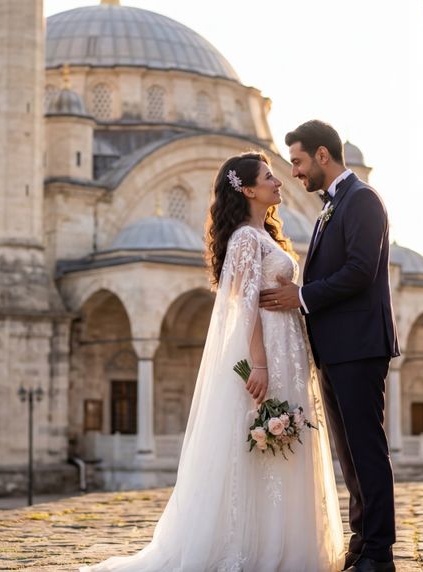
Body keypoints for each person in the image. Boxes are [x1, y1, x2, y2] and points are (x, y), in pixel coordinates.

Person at [81, 151, 343, 571]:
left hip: (288, 348)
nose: (280, 182)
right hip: (267, 352)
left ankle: (286, 544)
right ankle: (254, 548)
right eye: (269, 177)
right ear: (249, 190)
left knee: (285, 444)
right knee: (264, 441)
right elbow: (245, 306)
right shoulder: (243, 239)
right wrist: (259, 363)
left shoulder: (266, 236)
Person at [260, 120, 400, 572]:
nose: (294, 172)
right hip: (336, 349)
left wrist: (301, 296)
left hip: (359, 346)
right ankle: (362, 545)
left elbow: (360, 270)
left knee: (366, 449)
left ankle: (379, 553)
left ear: (323, 155)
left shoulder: (362, 201)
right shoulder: (330, 206)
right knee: (350, 455)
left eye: (298, 162)